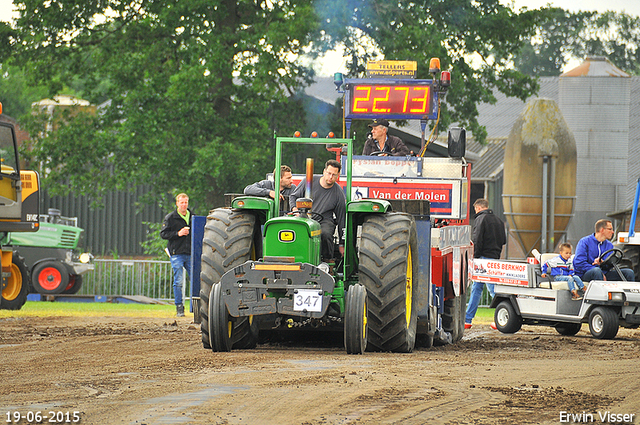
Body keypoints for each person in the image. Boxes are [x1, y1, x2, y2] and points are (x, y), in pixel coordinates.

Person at [289, 159, 346, 261]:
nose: (330, 177)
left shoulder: (338, 193)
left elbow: (342, 219)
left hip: (324, 220)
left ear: (338, 176)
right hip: (304, 217)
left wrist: (342, 244)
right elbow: (293, 197)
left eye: (334, 175)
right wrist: (295, 209)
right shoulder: (308, 181)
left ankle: (327, 260)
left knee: (325, 234)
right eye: (329, 173)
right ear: (324, 171)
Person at [465, 198, 506, 329]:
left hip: (482, 259)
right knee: (476, 288)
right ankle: (467, 319)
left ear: (478, 208)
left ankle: (505, 316)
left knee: (491, 290)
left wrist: (474, 257)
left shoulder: (480, 219)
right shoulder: (499, 221)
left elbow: (477, 239)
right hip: (494, 257)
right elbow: (503, 240)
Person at [160, 193, 192, 317]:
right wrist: (178, 233)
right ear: (177, 203)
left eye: (186, 202)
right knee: (178, 281)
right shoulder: (170, 218)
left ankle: (196, 306)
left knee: (195, 280)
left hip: (190, 253)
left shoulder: (192, 216)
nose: (184, 205)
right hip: (176, 253)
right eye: (181, 202)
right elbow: (163, 234)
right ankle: (179, 307)